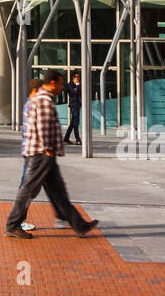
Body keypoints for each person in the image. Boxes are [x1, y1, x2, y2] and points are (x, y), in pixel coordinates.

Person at [5, 69, 97, 239]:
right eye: (61, 83)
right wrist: (48, 150)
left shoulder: (40, 98)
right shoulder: (44, 100)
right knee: (28, 190)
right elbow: (43, 127)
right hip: (41, 154)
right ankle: (13, 225)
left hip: (43, 153)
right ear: (53, 83)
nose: (62, 87)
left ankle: (79, 225)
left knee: (58, 192)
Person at [63, 70, 83, 145]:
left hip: (78, 104)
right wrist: (77, 86)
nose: (77, 79)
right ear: (72, 78)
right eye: (76, 77)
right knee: (76, 122)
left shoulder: (78, 84)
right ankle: (78, 139)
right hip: (73, 105)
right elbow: (75, 92)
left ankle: (66, 138)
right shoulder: (70, 85)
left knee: (73, 122)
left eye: (78, 77)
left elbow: (80, 92)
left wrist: (77, 88)